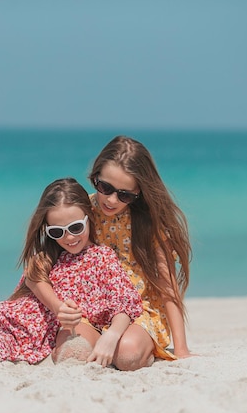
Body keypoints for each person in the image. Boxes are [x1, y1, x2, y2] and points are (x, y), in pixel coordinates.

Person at [0, 177, 143, 368]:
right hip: (2, 317)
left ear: (88, 218)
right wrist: (58, 307)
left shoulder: (102, 258)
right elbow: (35, 282)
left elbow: (125, 302)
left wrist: (111, 335)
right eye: (57, 232)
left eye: (75, 227)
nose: (69, 237)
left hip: (28, 338)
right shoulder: (44, 258)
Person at [67, 135, 193, 370]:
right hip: (92, 307)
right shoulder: (83, 211)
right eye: (104, 187)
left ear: (139, 192)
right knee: (72, 351)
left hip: (139, 310)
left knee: (127, 355)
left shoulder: (148, 222)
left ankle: (138, 350)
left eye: (124, 194)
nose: (111, 200)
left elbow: (168, 287)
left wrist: (181, 349)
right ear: (95, 177)